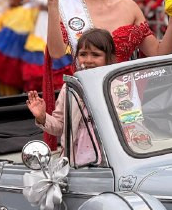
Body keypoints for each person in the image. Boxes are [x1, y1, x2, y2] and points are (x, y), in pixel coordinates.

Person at [31, 0, 172, 146]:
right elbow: (58, 52)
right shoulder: (66, 6)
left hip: (127, 106)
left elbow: (159, 54)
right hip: (85, 107)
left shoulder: (129, 6)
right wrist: (52, 2)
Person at [26, 28, 114, 165]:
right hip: (75, 162)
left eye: (96, 55)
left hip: (110, 161)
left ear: (109, 58)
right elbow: (60, 126)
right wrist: (42, 117)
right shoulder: (70, 87)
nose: (88, 60)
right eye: (83, 54)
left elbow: (132, 123)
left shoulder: (118, 86)